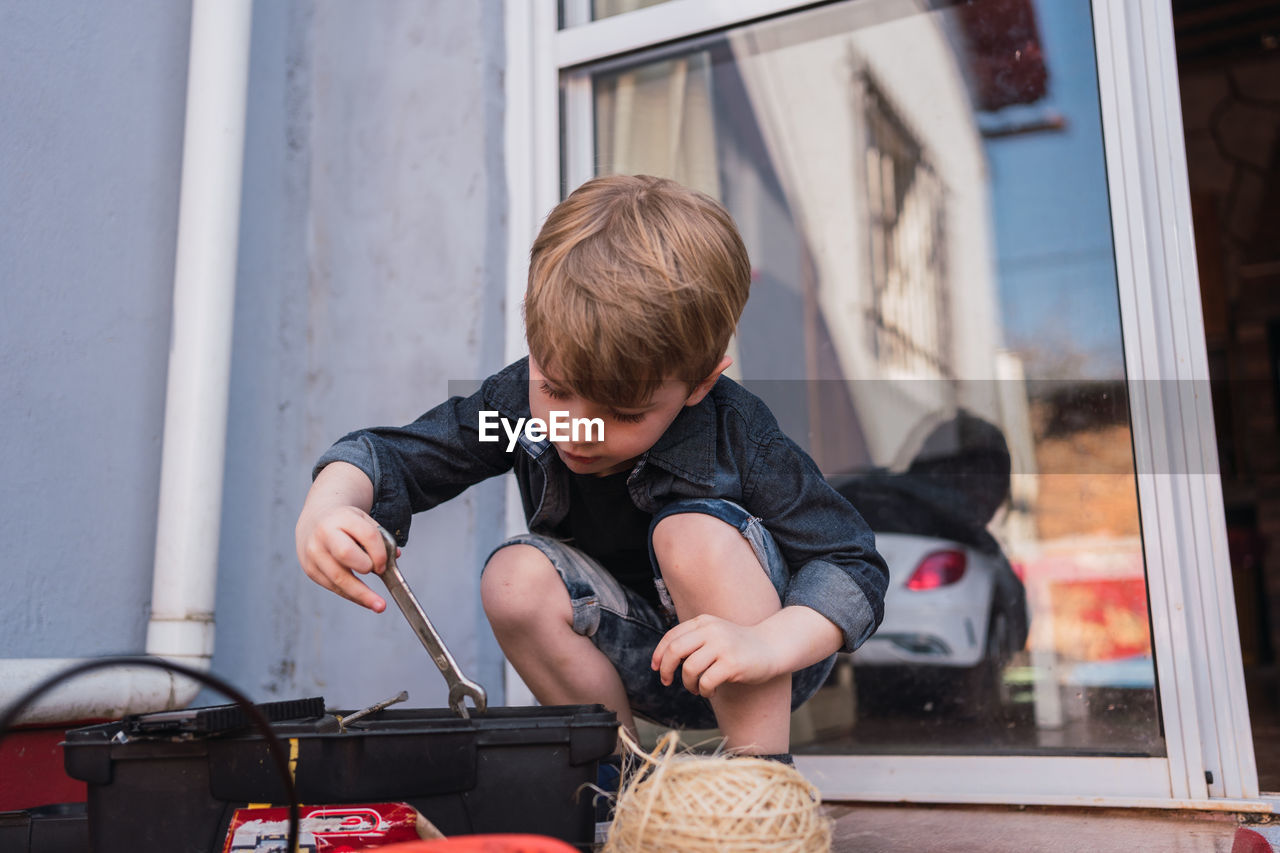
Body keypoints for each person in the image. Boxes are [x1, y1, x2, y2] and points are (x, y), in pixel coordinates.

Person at [295, 174, 887, 759]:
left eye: (623, 413)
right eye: (554, 389)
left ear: (701, 383)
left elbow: (851, 563)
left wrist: (765, 645)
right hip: (633, 659)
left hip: (764, 660)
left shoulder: (740, 436)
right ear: (531, 334)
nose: (574, 427)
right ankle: (615, 785)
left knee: (693, 534)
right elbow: (397, 456)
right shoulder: (515, 411)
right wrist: (330, 504)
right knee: (513, 576)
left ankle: (760, 789)